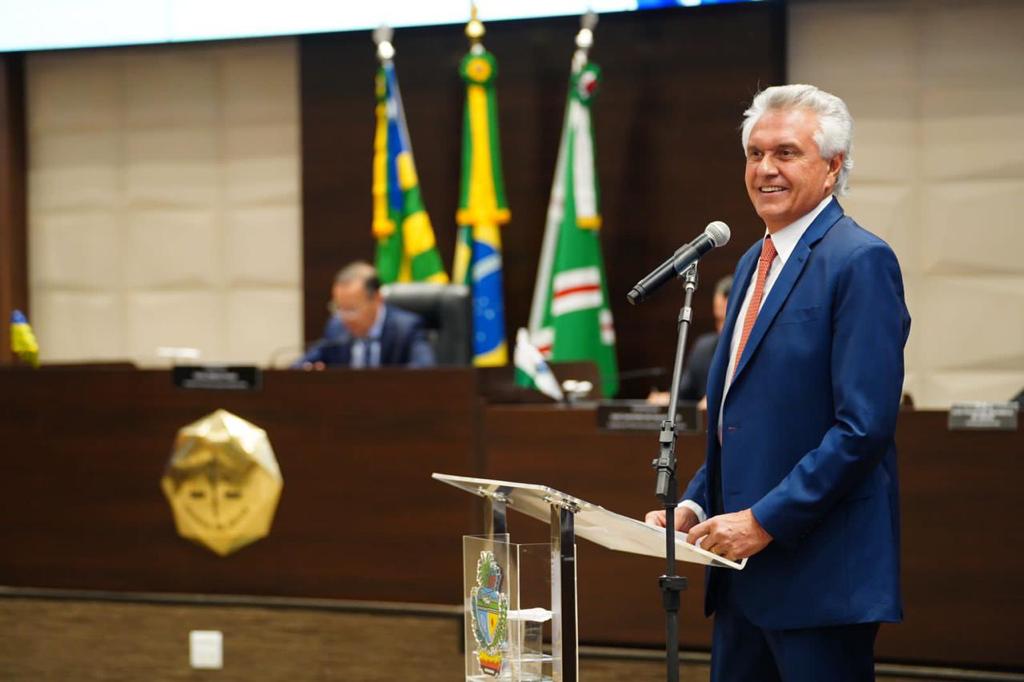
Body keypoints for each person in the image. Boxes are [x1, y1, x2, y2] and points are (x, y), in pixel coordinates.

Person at [645, 84, 911, 682]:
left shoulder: (860, 260)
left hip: (819, 576)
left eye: (786, 153)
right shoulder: (750, 262)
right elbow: (744, 419)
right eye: (754, 153)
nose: (765, 169)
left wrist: (763, 521)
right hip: (741, 579)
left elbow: (861, 428)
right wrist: (695, 502)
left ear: (833, 166)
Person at [294, 262, 435, 369]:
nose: (344, 317)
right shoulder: (336, 327)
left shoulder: (406, 328)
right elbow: (298, 369)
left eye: (351, 309)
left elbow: (425, 371)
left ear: (377, 299)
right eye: (339, 308)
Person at [648, 275, 732, 406]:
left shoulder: (761, 350)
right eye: (718, 320)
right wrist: (665, 400)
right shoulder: (704, 349)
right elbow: (684, 394)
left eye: (729, 320)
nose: (722, 329)